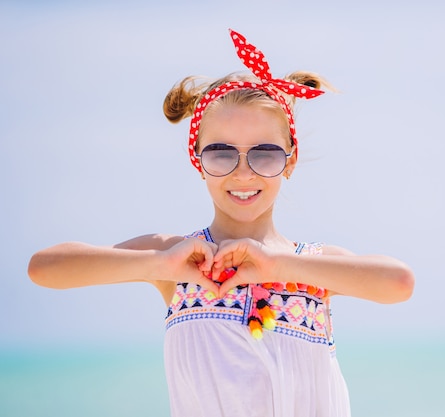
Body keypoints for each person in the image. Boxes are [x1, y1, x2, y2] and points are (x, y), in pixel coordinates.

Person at [28, 29, 415, 417]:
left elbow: (398, 282)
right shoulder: (175, 259)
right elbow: (45, 268)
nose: (243, 173)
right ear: (197, 161)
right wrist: (159, 265)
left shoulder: (314, 267)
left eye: (264, 155)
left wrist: (278, 265)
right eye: (220, 154)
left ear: (290, 161)